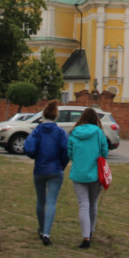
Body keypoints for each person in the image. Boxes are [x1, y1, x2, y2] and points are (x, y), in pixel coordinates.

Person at [23, 101, 69, 246]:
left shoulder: (37, 130)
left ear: (43, 115)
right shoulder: (60, 132)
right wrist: (62, 164)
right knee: (51, 202)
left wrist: (35, 156)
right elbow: (67, 150)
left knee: (40, 201)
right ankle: (47, 233)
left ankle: (42, 229)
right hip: (55, 169)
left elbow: (28, 147)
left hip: (40, 169)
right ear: (56, 116)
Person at [68, 107, 109, 249]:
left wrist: (79, 160)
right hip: (95, 173)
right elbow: (105, 151)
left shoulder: (74, 132)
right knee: (93, 204)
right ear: (95, 119)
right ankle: (90, 232)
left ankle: (86, 237)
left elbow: (70, 153)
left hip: (78, 173)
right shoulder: (99, 133)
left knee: (83, 204)